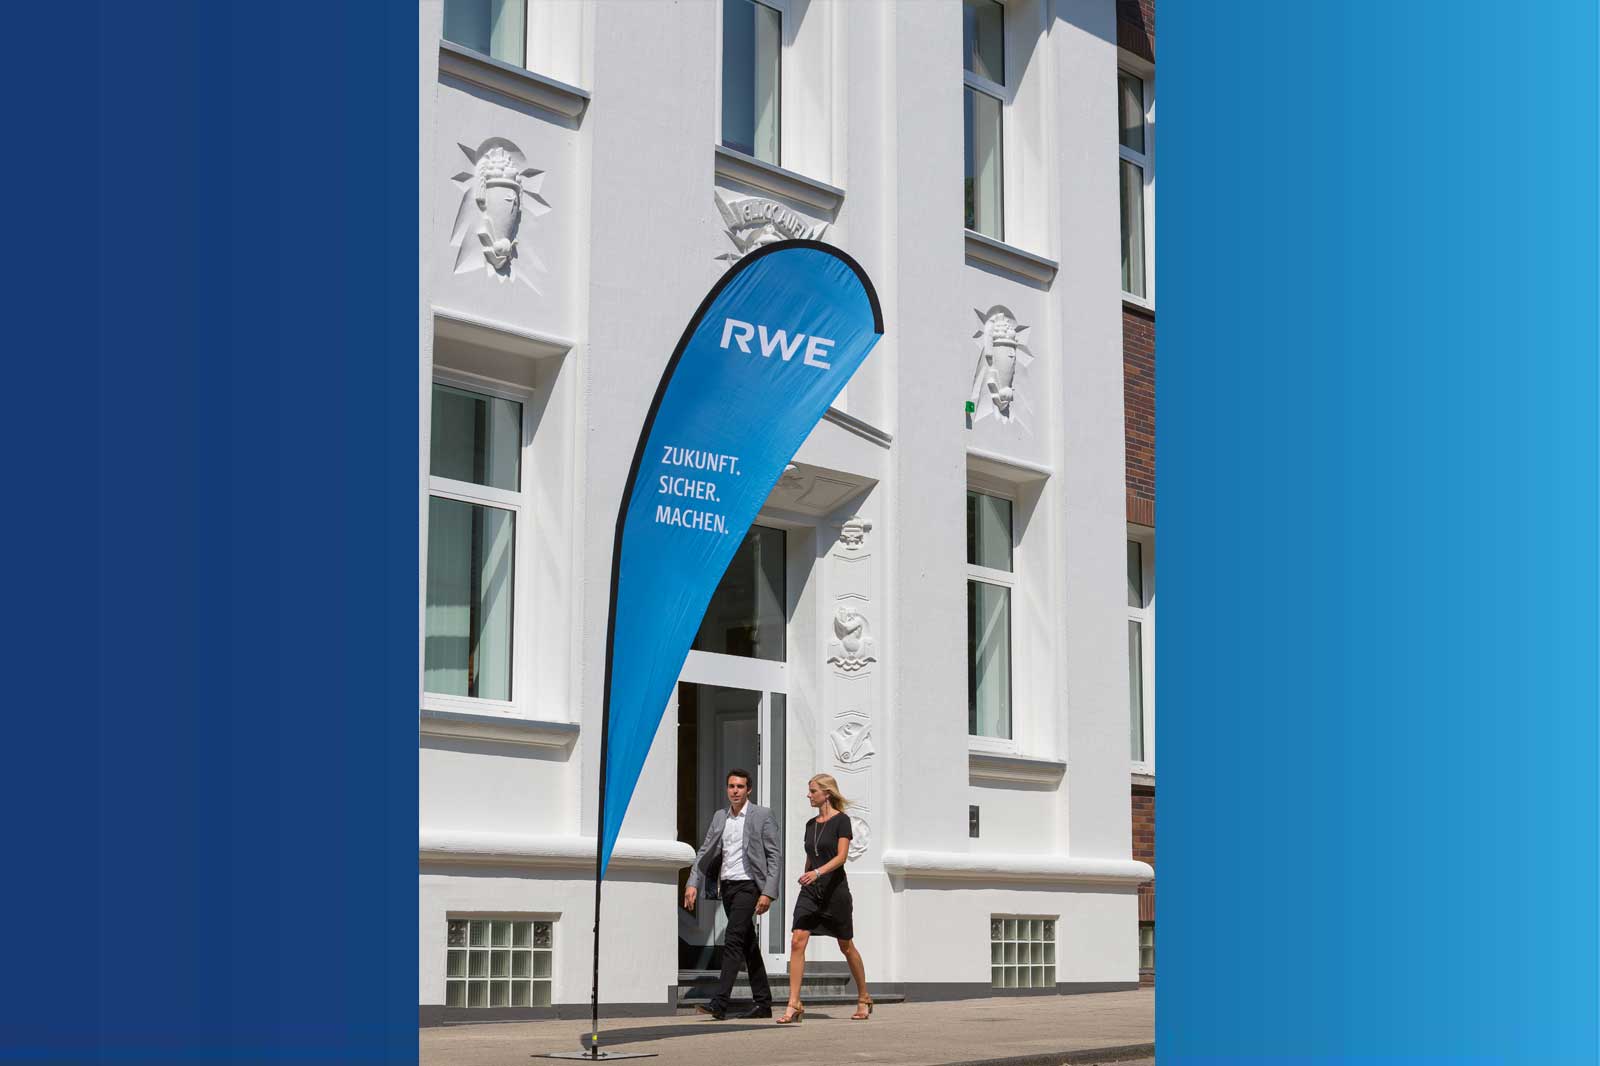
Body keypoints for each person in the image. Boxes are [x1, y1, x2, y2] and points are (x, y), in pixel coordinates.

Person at [683, 768, 782, 1020]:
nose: (735, 791)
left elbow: (774, 855)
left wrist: (768, 893)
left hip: (749, 886)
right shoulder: (720, 817)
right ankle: (763, 1003)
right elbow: (706, 850)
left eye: (740, 786)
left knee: (734, 940)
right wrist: (692, 882)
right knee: (748, 944)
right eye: (731, 786)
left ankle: (720, 1003)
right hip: (727, 886)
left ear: (748, 789)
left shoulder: (762, 815)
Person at [777, 773, 873, 1024]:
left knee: (845, 945)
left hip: (835, 891)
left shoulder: (842, 821)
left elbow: (841, 857)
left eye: (812, 791)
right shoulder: (811, 824)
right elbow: (812, 854)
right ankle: (794, 1003)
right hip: (811, 891)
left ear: (826, 793)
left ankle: (863, 997)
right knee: (798, 940)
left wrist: (817, 872)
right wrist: (807, 873)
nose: (808, 795)